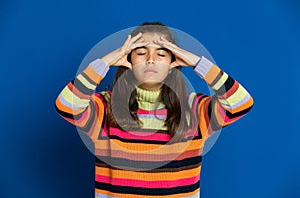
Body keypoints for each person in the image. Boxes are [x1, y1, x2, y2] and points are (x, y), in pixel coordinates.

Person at [55, 22, 254, 198]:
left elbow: (240, 103)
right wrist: (104, 63)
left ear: (172, 63)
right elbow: (65, 105)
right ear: (128, 60)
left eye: (161, 53)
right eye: (141, 52)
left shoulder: (194, 109)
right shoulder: (105, 108)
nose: (151, 59)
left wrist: (198, 63)